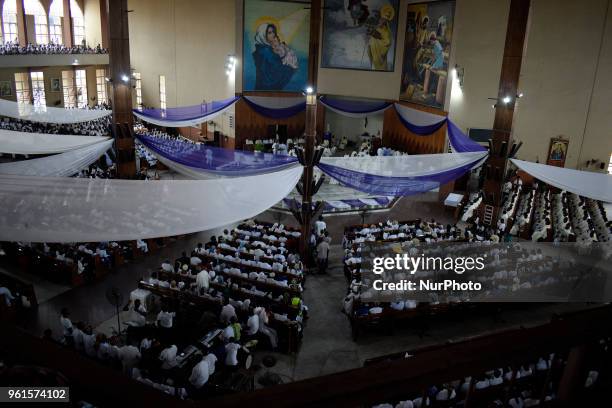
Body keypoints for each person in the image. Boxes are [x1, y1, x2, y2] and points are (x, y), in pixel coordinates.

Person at [252, 23, 297, 90]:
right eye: (269, 33)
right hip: (267, 88)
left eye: (273, 32)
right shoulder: (266, 50)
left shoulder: (260, 49)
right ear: (263, 34)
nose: (273, 35)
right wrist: (291, 68)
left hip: (261, 87)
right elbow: (277, 68)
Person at [367, 4, 395, 70]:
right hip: (373, 54)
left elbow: (387, 42)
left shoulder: (387, 31)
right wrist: (371, 34)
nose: (381, 21)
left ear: (386, 21)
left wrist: (376, 36)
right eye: (381, 19)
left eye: (383, 20)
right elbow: (373, 38)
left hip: (379, 58)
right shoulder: (378, 28)